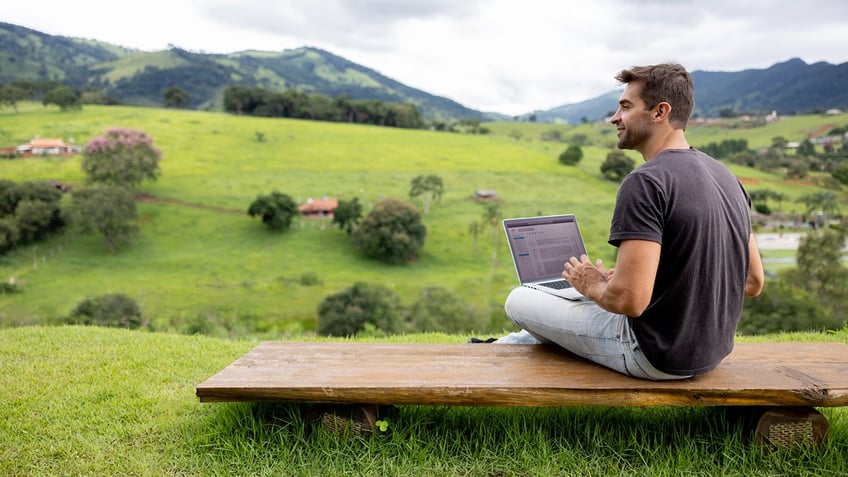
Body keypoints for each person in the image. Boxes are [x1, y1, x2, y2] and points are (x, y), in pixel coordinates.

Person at [500, 63, 765, 380]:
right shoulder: (727, 177)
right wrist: (628, 281)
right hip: (711, 354)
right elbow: (752, 282)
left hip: (651, 354)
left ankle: (518, 339)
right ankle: (522, 340)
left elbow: (630, 300)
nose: (614, 118)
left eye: (625, 106)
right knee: (571, 304)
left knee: (519, 299)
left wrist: (594, 285)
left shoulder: (647, 182)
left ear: (659, 112)